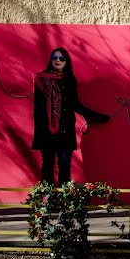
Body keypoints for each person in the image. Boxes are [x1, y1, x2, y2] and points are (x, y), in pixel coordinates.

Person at [31, 47, 110, 186]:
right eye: (55, 57)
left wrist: (97, 117)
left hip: (65, 130)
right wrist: (39, 133)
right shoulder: (42, 80)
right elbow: (37, 109)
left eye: (61, 58)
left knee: (64, 164)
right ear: (51, 60)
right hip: (46, 130)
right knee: (48, 164)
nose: (58, 60)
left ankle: (63, 200)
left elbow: (75, 105)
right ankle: (47, 199)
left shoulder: (70, 80)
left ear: (66, 61)